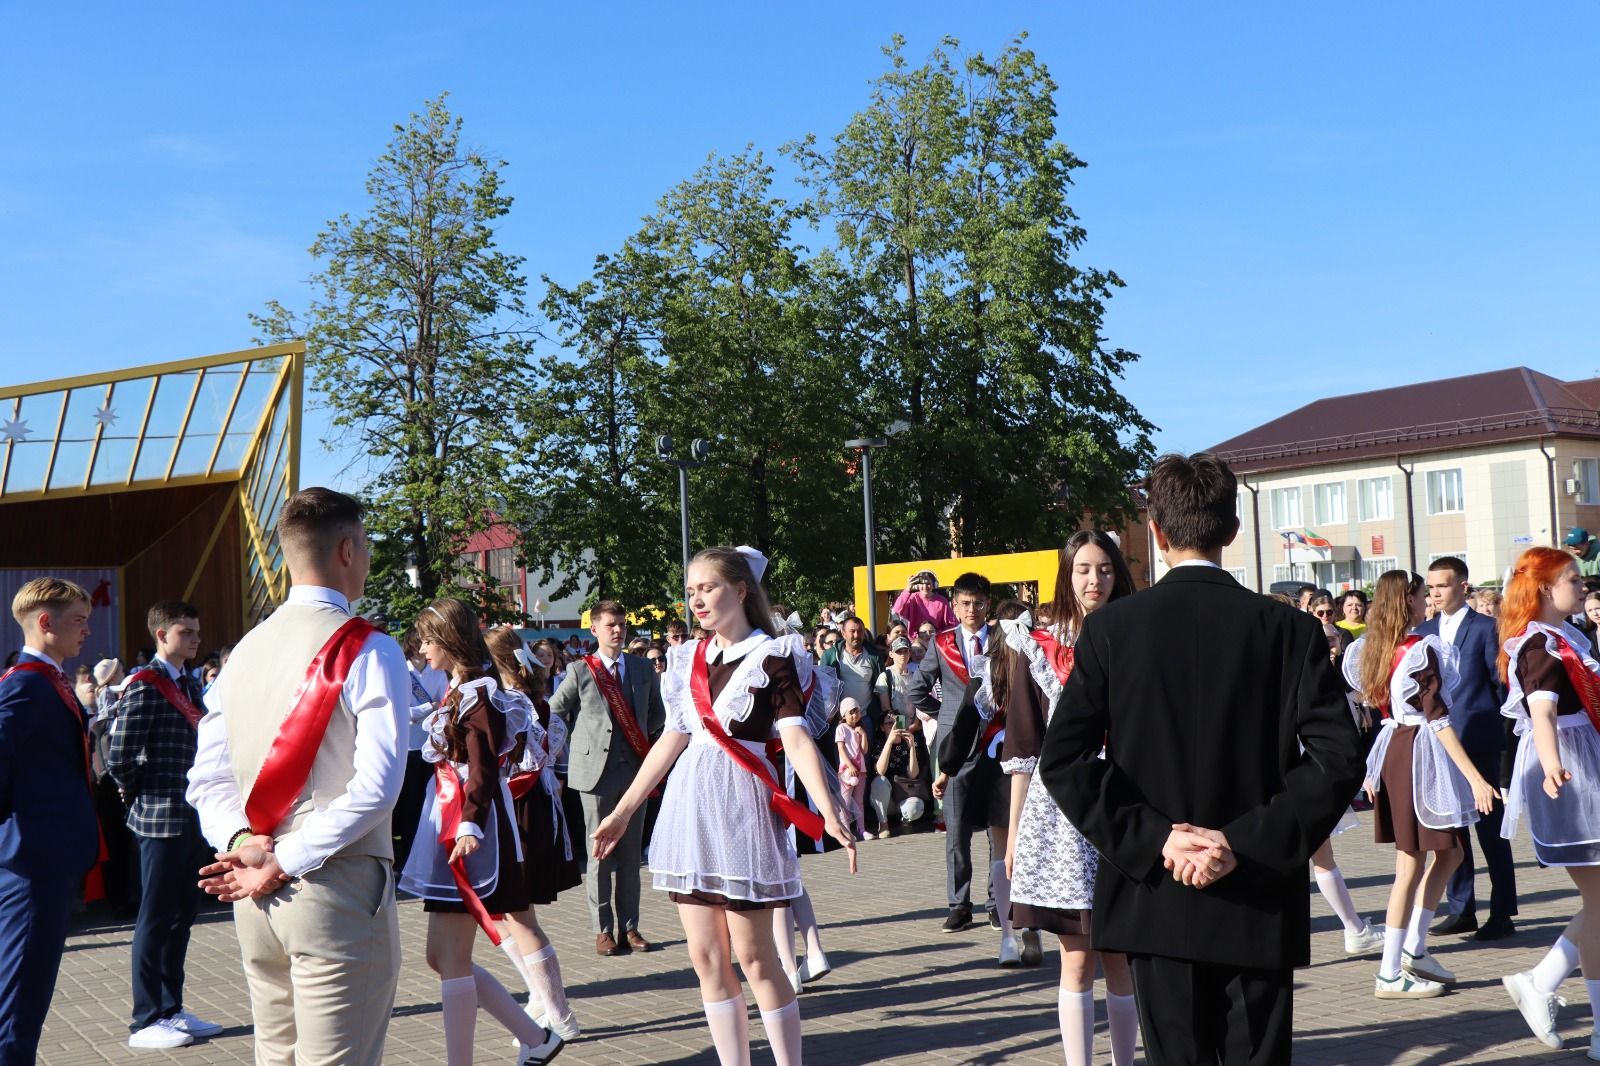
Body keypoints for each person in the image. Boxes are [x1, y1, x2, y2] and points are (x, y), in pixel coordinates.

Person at [1039, 453, 1366, 1065]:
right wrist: (1245, 841)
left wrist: (1156, 838)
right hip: (1257, 887)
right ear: (1234, 531)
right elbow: (1339, 759)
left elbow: (1064, 759)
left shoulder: (1113, 629)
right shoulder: (1287, 628)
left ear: (1156, 533)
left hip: (1158, 892)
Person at [593, 545, 856, 1066]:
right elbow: (672, 739)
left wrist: (829, 810)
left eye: (708, 588)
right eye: (690, 591)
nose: (697, 600)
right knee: (706, 958)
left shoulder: (774, 656)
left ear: (739, 589)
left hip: (742, 811)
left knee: (757, 957)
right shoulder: (685, 658)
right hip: (690, 813)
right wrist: (623, 811)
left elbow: (797, 740)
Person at [186, 488, 411, 1066]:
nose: (366, 558)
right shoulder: (369, 647)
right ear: (345, 550)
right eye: (364, 546)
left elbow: (207, 781)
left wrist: (242, 844)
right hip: (336, 884)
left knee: (275, 1056)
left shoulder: (241, 653)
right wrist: (285, 858)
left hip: (253, 891)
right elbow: (380, 786)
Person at [396, 599, 564, 1064]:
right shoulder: (457, 690)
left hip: (472, 829)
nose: (423, 647)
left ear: (451, 640)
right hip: (453, 821)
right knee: (441, 957)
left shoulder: (479, 693)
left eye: (430, 639)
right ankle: (536, 1038)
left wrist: (469, 820)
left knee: (449, 959)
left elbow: (484, 768)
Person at [997, 531, 1138, 1065]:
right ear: (1066, 573)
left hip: (1125, 801)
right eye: (1082, 569)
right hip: (1057, 813)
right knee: (1075, 956)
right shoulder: (1036, 640)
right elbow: (1024, 744)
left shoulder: (1136, 628)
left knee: (1120, 953)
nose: (1093, 580)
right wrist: (1012, 835)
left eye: (1104, 569)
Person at [1346, 570, 1498, 999]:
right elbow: (1439, 718)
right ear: (1407, 601)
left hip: (1399, 748)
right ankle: (1391, 970)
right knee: (1414, 864)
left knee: (1448, 853)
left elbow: (1383, 711)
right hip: (1417, 752)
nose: (1426, 599)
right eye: (1420, 593)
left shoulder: (1377, 649)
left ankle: (1411, 949)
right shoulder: (1418, 649)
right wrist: (1476, 779)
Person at [1496, 547, 1600, 1052]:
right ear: (1543, 588)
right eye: (1573, 579)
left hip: (1584, 761)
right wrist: (1554, 761)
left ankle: (1540, 982)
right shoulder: (1538, 644)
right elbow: (1542, 709)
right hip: (1573, 772)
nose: (1583, 586)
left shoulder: (1563, 637)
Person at [106, 599, 221, 1048]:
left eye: (196, 630)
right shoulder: (146, 684)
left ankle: (171, 1008)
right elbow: (120, 756)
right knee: (154, 919)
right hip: (158, 817)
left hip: (191, 817)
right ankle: (146, 1017)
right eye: (185, 631)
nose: (194, 638)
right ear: (161, 635)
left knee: (182, 918)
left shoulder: (189, 685)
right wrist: (139, 795)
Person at [0, 578, 100, 1064]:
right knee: (20, 999)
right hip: (33, 860)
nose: (87, 630)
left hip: (43, 857)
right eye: (78, 620)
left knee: (27, 994)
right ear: (45, 623)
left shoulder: (47, 680)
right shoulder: (25, 684)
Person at [549, 600, 666, 957]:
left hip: (635, 771)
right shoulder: (581, 670)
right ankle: (603, 930)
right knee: (599, 853)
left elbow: (657, 713)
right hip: (595, 775)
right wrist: (577, 743)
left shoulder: (643, 668)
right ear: (595, 630)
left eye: (622, 624)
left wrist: (644, 740)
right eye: (611, 625)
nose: (618, 630)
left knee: (631, 855)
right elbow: (555, 710)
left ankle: (630, 927)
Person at [485, 626, 582, 1041]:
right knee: (499, 913)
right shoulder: (514, 700)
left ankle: (560, 1016)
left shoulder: (513, 704)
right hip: (515, 807)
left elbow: (519, 763)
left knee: (519, 913)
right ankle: (540, 995)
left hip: (520, 809)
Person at [1419, 556, 1518, 941]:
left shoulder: (1485, 628)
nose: (1436, 593)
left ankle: (1502, 910)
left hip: (1478, 739)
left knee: (1491, 829)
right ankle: (1461, 909)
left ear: (1463, 586)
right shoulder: (1425, 629)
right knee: (1452, 829)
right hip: (1439, 743)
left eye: (1442, 585)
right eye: (1431, 587)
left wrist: (1500, 732)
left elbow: (1500, 684)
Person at [908, 572, 1001, 933]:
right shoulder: (942, 643)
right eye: (965, 603)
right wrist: (946, 715)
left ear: (987, 604)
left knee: (998, 828)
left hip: (996, 743)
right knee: (956, 830)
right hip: (956, 750)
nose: (972, 610)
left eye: (978, 603)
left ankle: (998, 902)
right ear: (954, 606)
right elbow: (917, 690)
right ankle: (959, 905)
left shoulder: (1002, 640)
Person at [396, 626, 450, 879]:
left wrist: (429, 711)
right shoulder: (400, 670)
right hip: (405, 748)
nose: (422, 649)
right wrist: (426, 709)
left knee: (424, 807)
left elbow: (445, 706)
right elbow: (399, 713)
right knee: (406, 808)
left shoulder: (437, 673)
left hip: (429, 748)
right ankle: (404, 860)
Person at [869, 708, 932, 837]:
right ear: (882, 727)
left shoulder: (910, 741)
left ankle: (905, 821)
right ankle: (884, 824)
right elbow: (880, 771)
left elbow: (913, 774)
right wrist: (889, 742)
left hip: (905, 796)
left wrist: (912, 748)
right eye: (888, 723)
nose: (893, 727)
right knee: (879, 782)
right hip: (887, 800)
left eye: (896, 722)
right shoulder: (879, 744)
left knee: (916, 806)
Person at [821, 616, 886, 716]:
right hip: (840, 718)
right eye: (852, 631)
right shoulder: (830, 656)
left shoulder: (874, 656)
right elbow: (823, 687)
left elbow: (882, 688)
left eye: (860, 631)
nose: (856, 635)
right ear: (843, 634)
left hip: (866, 715)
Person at [835, 697, 869, 840]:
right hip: (846, 771)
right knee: (845, 801)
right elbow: (841, 749)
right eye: (851, 712)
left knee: (859, 801)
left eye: (857, 711)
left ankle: (861, 829)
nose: (855, 715)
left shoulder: (859, 730)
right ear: (844, 714)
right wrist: (849, 766)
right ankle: (846, 831)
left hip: (860, 770)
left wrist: (863, 734)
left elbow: (864, 750)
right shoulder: (841, 728)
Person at [892, 570, 958, 637]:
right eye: (922, 584)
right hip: (915, 640)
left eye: (928, 584)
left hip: (935, 639)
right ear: (917, 585)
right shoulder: (911, 598)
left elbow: (953, 624)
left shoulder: (942, 601)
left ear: (934, 585)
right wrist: (907, 590)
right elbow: (897, 609)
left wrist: (940, 635)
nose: (925, 587)